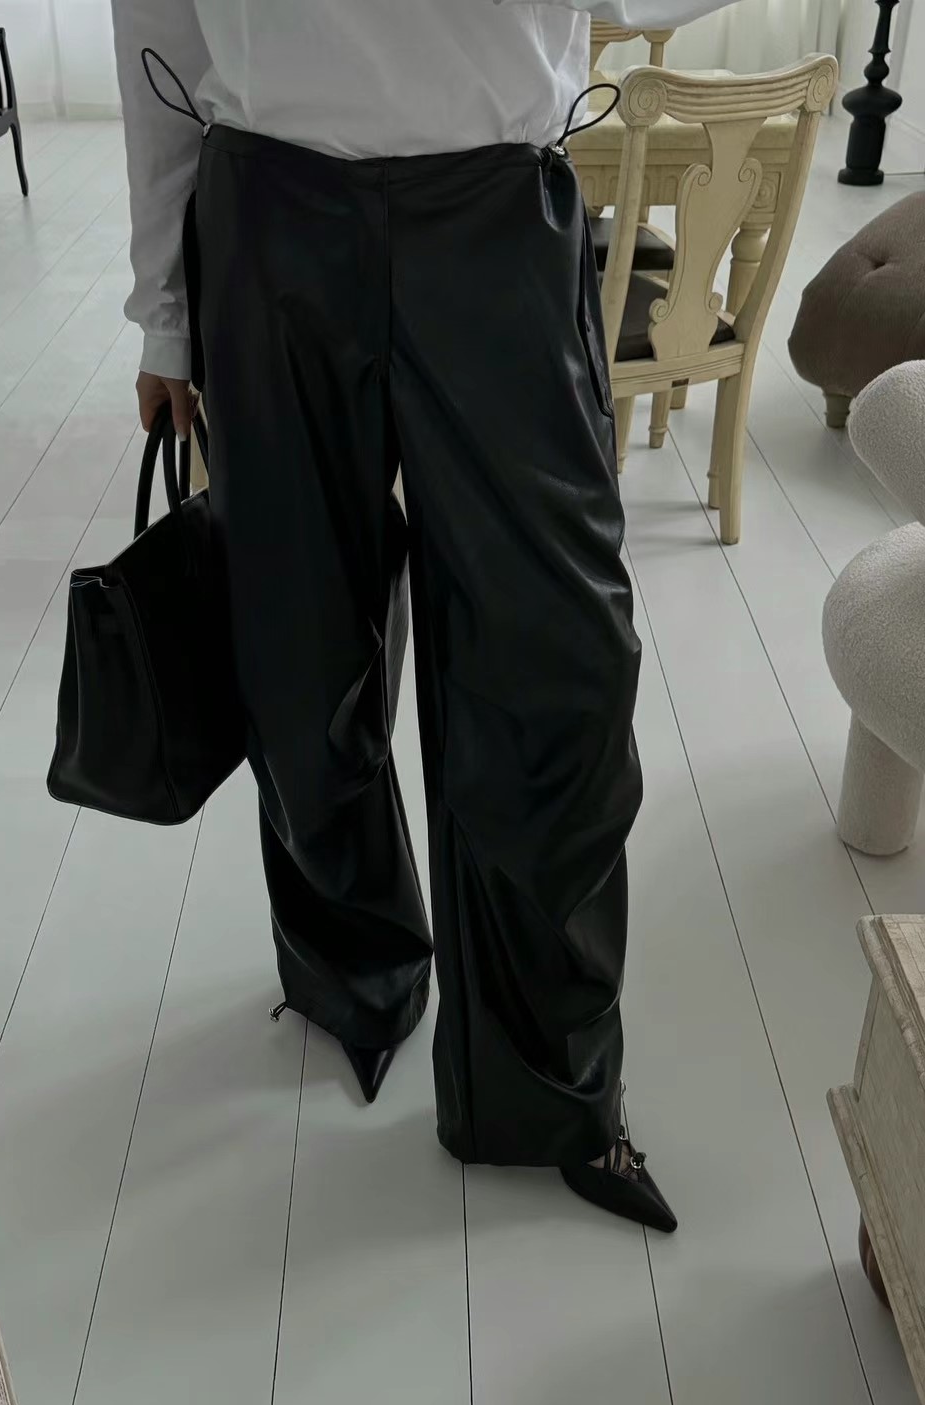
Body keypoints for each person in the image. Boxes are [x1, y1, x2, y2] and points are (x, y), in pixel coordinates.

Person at [112, 0, 733, 1235]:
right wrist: (165, 312)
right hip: (269, 222)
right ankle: (354, 975)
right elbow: (160, 37)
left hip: (498, 217)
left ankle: (547, 1086)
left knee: (559, 663)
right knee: (295, 648)